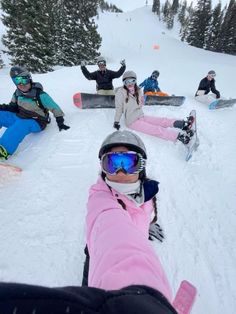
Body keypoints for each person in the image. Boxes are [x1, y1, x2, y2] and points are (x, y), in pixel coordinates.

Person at [0, 66, 70, 160]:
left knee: (20, 125)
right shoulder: (17, 93)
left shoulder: (40, 94)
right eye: (17, 81)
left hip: (36, 122)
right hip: (20, 116)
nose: (21, 84)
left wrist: (60, 121)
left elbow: (55, 108)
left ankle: (3, 151)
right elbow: (12, 108)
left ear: (29, 79)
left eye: (24, 80)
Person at [114, 71, 194, 145]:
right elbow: (119, 108)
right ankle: (179, 137)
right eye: (127, 82)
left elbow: (140, 104)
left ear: (135, 81)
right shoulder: (120, 93)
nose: (130, 84)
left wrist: (141, 101)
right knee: (155, 129)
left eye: (132, 81)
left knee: (161, 120)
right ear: (124, 83)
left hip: (140, 115)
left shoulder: (138, 90)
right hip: (132, 121)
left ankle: (181, 124)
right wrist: (116, 122)